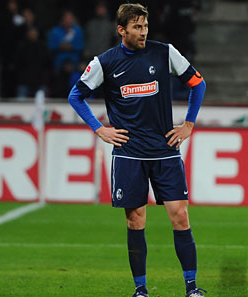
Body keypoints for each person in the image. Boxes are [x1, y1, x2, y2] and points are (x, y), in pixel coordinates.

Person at [68, 4, 206, 297]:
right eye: (137, 27)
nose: (143, 33)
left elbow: (198, 83)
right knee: (135, 220)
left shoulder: (164, 52)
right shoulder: (105, 62)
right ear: (122, 30)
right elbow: (76, 95)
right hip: (129, 154)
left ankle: (192, 287)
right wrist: (99, 128)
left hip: (164, 149)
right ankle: (141, 290)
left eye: (145, 27)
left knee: (180, 216)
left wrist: (189, 124)